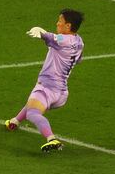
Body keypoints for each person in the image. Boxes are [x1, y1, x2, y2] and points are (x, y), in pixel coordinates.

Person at [5, 9, 84, 152]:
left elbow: (53, 38)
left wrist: (40, 32)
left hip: (48, 87)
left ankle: (51, 139)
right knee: (33, 103)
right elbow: (78, 59)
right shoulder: (79, 42)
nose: (57, 23)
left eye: (60, 21)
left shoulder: (63, 40)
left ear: (68, 26)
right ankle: (14, 122)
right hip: (61, 94)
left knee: (33, 113)